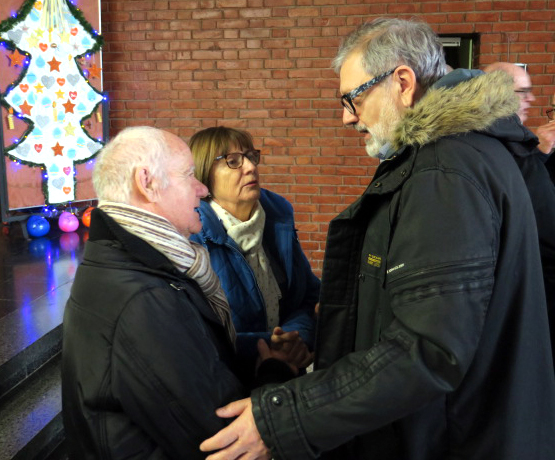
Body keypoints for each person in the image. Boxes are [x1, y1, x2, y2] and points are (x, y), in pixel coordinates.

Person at [200, 18, 555, 460]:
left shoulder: (445, 171)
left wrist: (285, 418)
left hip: (456, 437)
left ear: (402, 83)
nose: (348, 116)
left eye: (354, 97)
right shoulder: (460, 154)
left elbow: (427, 350)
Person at [62, 126, 300, 459]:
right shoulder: (144, 299)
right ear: (147, 183)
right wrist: (276, 374)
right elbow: (222, 439)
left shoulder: (131, 264)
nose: (202, 189)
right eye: (189, 175)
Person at [188, 126, 320, 378]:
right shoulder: (192, 237)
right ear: (204, 174)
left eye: (251, 157)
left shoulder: (277, 218)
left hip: (283, 375)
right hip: (225, 382)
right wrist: (270, 346)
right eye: (233, 161)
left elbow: (307, 297)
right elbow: (195, 334)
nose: (250, 167)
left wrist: (296, 340)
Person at [484, 63, 555, 362]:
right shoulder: (498, 144)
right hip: (529, 286)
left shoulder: (522, 143)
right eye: (523, 92)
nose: (531, 99)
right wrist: (538, 153)